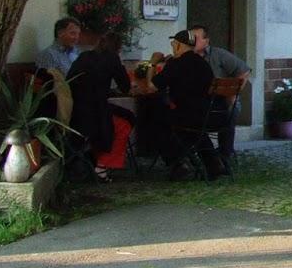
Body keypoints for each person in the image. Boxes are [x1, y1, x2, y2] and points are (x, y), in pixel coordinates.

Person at [147, 29, 220, 178]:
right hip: (207, 115)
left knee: (155, 121)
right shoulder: (203, 63)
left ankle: (176, 163)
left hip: (185, 116)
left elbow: (151, 86)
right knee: (195, 132)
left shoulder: (176, 63)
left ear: (180, 46)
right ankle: (212, 165)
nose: (172, 47)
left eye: (174, 44)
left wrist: (152, 64)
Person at [66, 31, 131, 180]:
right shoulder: (112, 59)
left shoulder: (83, 57)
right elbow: (125, 86)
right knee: (126, 120)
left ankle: (96, 160)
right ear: (118, 48)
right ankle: (103, 164)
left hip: (75, 111)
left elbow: (70, 80)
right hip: (97, 113)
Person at [189, 23, 249, 162]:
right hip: (199, 103)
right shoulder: (186, 57)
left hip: (220, 102)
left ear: (206, 41)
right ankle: (204, 156)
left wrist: (233, 93)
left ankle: (224, 155)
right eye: (191, 38)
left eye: (196, 38)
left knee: (230, 112)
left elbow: (244, 71)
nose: (192, 42)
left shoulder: (218, 55)